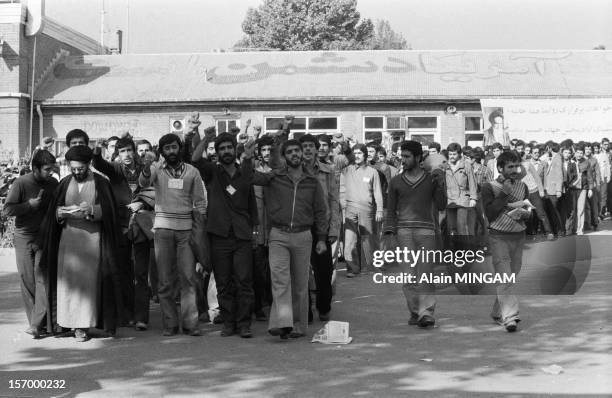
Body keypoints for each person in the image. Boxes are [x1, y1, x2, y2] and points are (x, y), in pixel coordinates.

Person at [245, 138, 328, 339]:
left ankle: (299, 326)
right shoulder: (274, 177)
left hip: (303, 235)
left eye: (296, 151)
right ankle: (282, 323)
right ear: (284, 156)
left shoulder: (312, 181)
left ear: (301, 154)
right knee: (280, 280)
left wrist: (322, 239)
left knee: (300, 283)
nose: (294, 154)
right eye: (289, 151)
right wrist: (247, 157)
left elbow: (320, 211)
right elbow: (248, 177)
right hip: (278, 235)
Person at [39, 145, 124, 341]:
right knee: (68, 284)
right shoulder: (64, 182)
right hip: (67, 242)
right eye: (73, 168)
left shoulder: (101, 183)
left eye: (80, 168)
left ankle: (83, 326)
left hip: (93, 242)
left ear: (88, 165)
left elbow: (111, 211)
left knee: (88, 285)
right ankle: (69, 323)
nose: (76, 172)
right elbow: (53, 211)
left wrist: (93, 211)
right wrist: (58, 214)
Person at [139, 133, 207, 336]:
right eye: (166, 148)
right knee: (165, 280)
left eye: (174, 147)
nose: (171, 151)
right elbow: (142, 183)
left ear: (179, 148)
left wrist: (200, 227)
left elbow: (200, 202)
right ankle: (170, 324)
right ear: (162, 151)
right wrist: (147, 165)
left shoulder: (193, 171)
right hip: (163, 231)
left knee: (188, 278)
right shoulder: (156, 170)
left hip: (186, 231)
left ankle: (190, 324)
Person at [191, 132, 257, 338]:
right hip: (218, 235)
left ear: (234, 149)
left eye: (229, 147)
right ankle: (229, 323)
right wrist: (205, 138)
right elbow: (194, 159)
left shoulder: (245, 172)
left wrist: (255, 230)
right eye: (221, 148)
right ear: (217, 152)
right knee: (223, 282)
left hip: (242, 236)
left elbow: (251, 202)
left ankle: (244, 324)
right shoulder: (212, 172)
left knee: (244, 281)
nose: (226, 151)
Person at [383, 141, 446, 328]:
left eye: (407, 156)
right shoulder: (395, 182)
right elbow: (391, 211)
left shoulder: (431, 179)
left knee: (425, 275)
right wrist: (389, 234)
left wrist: (441, 185)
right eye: (402, 156)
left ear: (418, 158)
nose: (403, 160)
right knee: (409, 276)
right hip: (404, 233)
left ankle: (426, 313)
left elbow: (442, 205)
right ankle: (416, 311)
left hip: (427, 231)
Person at [3, 150, 59, 338]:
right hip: (24, 236)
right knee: (27, 279)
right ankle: (37, 322)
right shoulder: (21, 183)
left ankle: (36, 324)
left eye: (52, 169)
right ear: (35, 168)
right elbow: (7, 210)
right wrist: (29, 206)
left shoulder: (53, 183)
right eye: (46, 169)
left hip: (44, 235)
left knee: (42, 277)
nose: (50, 173)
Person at [93, 136, 143, 327]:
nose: (127, 154)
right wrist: (97, 150)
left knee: (140, 273)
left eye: (129, 150)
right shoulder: (115, 169)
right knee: (123, 271)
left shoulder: (143, 168)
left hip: (143, 225)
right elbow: (99, 164)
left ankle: (140, 315)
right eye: (122, 151)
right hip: (121, 226)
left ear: (134, 150)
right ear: (117, 154)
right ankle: (126, 313)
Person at [481, 151, 530, 332]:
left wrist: (525, 214)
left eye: (517, 166)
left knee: (511, 276)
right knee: (505, 277)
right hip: (498, 236)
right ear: (500, 168)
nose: (515, 170)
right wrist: (504, 195)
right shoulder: (489, 187)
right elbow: (490, 213)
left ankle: (497, 312)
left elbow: (527, 210)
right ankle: (510, 316)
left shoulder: (523, 186)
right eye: (510, 167)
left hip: (518, 235)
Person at [300, 134, 340, 322]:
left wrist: (333, 229)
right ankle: (304, 310)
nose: (307, 149)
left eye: (311, 146)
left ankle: (324, 307)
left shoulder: (328, 171)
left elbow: (334, 200)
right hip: (300, 225)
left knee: (324, 271)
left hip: (322, 226)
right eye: (304, 146)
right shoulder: (293, 170)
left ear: (316, 149)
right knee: (300, 271)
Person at [340, 144, 384, 277]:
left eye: (360, 153)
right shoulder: (346, 170)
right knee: (349, 240)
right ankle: (352, 268)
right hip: (349, 209)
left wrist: (380, 210)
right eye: (355, 153)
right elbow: (341, 188)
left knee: (368, 239)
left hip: (367, 210)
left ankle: (369, 267)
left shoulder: (372, 172)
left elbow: (378, 192)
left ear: (365, 155)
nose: (357, 156)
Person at [444, 143, 477, 245]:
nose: (452, 156)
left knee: (461, 225)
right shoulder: (445, 166)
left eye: (454, 154)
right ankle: (453, 250)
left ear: (459, 154)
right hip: (449, 199)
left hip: (463, 198)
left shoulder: (466, 165)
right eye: (450, 154)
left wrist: (473, 198)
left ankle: (465, 251)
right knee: (451, 227)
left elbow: (472, 182)